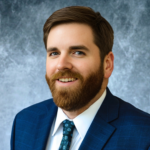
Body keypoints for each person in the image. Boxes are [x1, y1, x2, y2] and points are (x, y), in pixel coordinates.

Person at [11, 6, 150, 150]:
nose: (61, 65)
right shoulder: (24, 122)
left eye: (78, 52)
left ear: (107, 64)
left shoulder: (144, 136)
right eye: (54, 53)